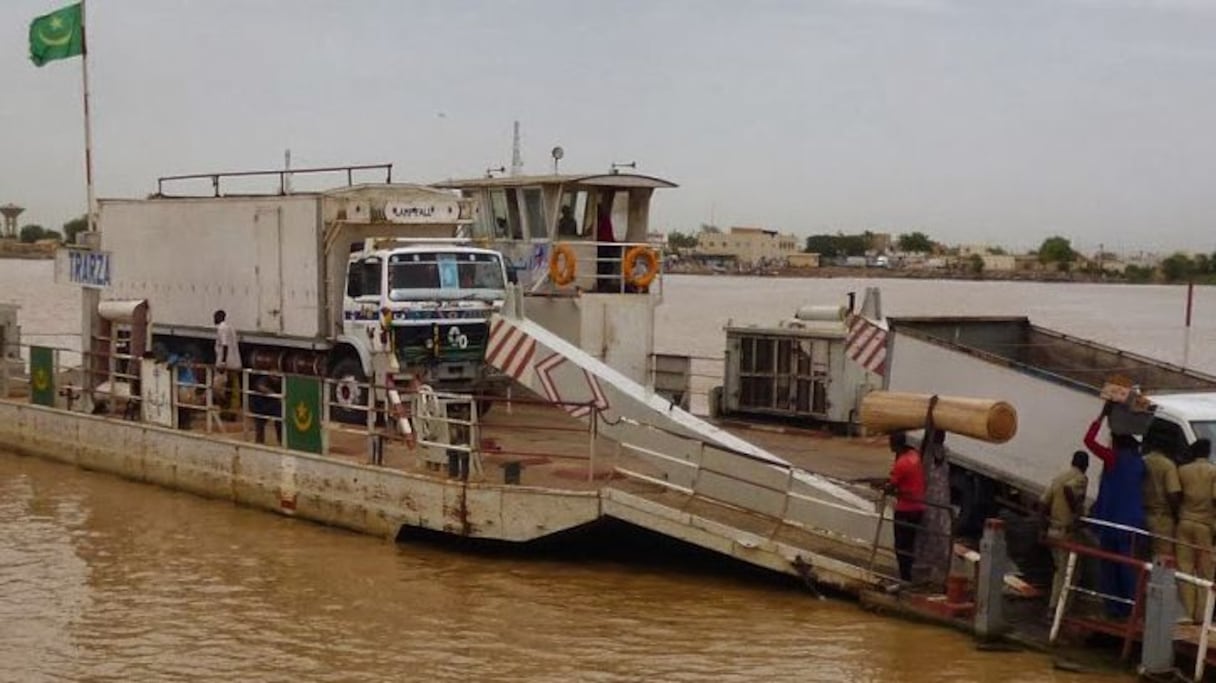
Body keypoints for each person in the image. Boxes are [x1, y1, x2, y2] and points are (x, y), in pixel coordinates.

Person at [1083, 403, 1147, 617]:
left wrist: (1101, 416)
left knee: (1110, 568)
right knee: (1127, 567)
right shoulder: (1139, 463)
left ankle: (1115, 609)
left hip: (1112, 522)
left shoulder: (1113, 458)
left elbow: (1088, 441)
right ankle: (1130, 609)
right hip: (1133, 523)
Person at [1041, 450, 1089, 612]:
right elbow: (1069, 489)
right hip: (1066, 532)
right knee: (1068, 572)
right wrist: (1076, 512)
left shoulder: (1059, 478)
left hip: (1052, 530)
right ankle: (1058, 609)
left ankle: (1055, 608)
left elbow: (1043, 504)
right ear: (1085, 465)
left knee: (1059, 570)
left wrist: (1042, 528)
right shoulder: (1081, 478)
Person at [1176, 439, 1215, 622]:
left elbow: (1176, 494)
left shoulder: (1183, 471)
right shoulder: (1213, 472)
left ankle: (1187, 613)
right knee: (1205, 571)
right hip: (1204, 524)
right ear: (1208, 452)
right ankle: (1202, 615)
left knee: (1185, 568)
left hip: (1184, 522)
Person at [886, 431, 926, 582]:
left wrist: (885, 487)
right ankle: (909, 577)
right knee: (910, 544)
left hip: (905, 509)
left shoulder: (902, 463)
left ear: (894, 445)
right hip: (918, 508)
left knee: (901, 546)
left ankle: (905, 578)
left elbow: (891, 486)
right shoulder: (915, 456)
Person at [1141, 433, 1182, 561]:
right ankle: (1159, 582)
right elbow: (1172, 493)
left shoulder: (1142, 460)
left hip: (1142, 516)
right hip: (1162, 520)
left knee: (1141, 558)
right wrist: (1177, 514)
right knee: (1162, 561)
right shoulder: (1168, 465)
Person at [214, 309, 242, 418]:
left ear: (219, 317)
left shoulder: (221, 329)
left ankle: (225, 410)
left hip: (225, 364)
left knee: (219, 388)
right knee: (234, 388)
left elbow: (225, 345)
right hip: (235, 362)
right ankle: (233, 411)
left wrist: (223, 362)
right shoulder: (231, 328)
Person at [250, 374, 282, 446]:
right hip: (260, 405)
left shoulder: (281, 381)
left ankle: (281, 441)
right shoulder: (263, 379)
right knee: (259, 422)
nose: (276, 378)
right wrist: (273, 394)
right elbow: (260, 387)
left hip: (273, 405)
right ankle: (259, 441)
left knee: (280, 420)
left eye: (277, 376)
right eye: (274, 376)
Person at [594, 194, 617, 292]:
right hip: (606, 245)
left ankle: (603, 284)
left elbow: (597, 232)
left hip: (605, 245)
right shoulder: (602, 220)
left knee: (604, 265)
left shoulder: (602, 220)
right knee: (605, 265)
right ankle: (604, 283)